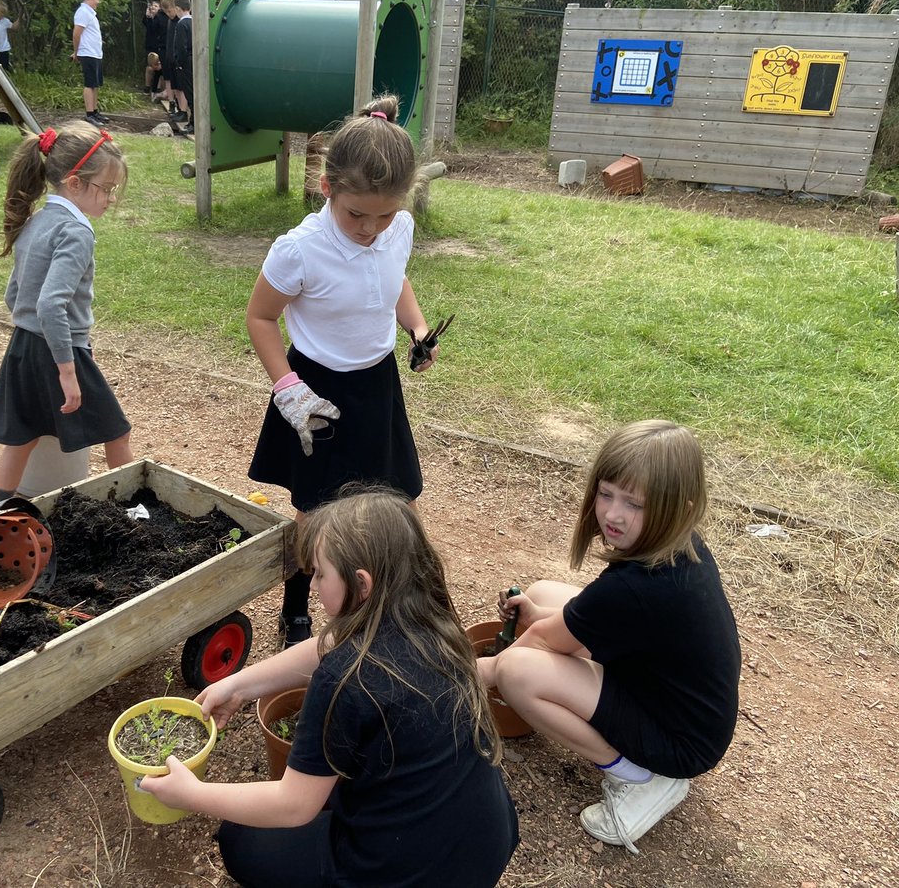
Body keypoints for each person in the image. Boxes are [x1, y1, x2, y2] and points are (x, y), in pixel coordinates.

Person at [140, 489, 519, 887]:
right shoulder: (433, 625)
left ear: (362, 583)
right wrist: (240, 684)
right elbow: (328, 645)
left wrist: (191, 794)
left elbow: (294, 807)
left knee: (241, 838)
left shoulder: (345, 679)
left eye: (320, 573)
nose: (314, 584)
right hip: (486, 840)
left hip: (407, 874)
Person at [480, 419, 742, 854]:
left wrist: (462, 673)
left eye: (634, 504)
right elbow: (588, 626)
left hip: (677, 743)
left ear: (678, 506)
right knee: (544, 594)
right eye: (606, 494)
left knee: (516, 671)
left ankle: (637, 777)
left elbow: (544, 644)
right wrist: (539, 619)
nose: (613, 514)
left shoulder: (636, 588)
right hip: (680, 705)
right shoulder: (678, 549)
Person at [245, 95, 439, 649]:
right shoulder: (298, 251)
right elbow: (260, 318)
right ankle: (296, 611)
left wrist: (418, 330)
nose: (372, 228)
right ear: (327, 188)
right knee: (315, 515)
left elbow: (396, 279)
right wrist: (288, 391)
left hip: (377, 386)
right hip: (315, 389)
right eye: (358, 215)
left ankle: (388, 607)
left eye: (386, 214)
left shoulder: (395, 228)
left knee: (396, 501)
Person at [0, 123, 133, 508]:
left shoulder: (37, 221)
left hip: (23, 348)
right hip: (57, 352)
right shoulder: (76, 231)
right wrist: (67, 367)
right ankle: (136, 512)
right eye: (106, 188)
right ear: (75, 183)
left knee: (22, 440)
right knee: (116, 433)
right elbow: (52, 305)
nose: (110, 199)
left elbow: (14, 295)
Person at [72, 0, 109, 126]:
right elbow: (76, 34)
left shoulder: (90, 13)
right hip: (87, 53)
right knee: (89, 83)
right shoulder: (82, 12)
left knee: (95, 84)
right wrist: (76, 52)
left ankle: (94, 111)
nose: (97, 2)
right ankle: (89, 114)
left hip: (95, 53)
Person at [172, 0, 194, 134]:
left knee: (190, 93)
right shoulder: (194, 22)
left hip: (186, 63)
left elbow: (181, 47)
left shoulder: (181, 24)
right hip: (195, 61)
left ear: (178, 8)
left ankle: (193, 124)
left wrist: (179, 63)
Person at [142, 0, 168, 94]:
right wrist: (148, 17)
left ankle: (159, 89)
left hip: (160, 46)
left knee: (161, 69)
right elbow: (148, 26)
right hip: (151, 46)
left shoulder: (162, 18)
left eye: (156, 6)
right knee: (150, 67)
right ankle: (148, 87)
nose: (153, 7)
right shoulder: (150, 18)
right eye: (152, 6)